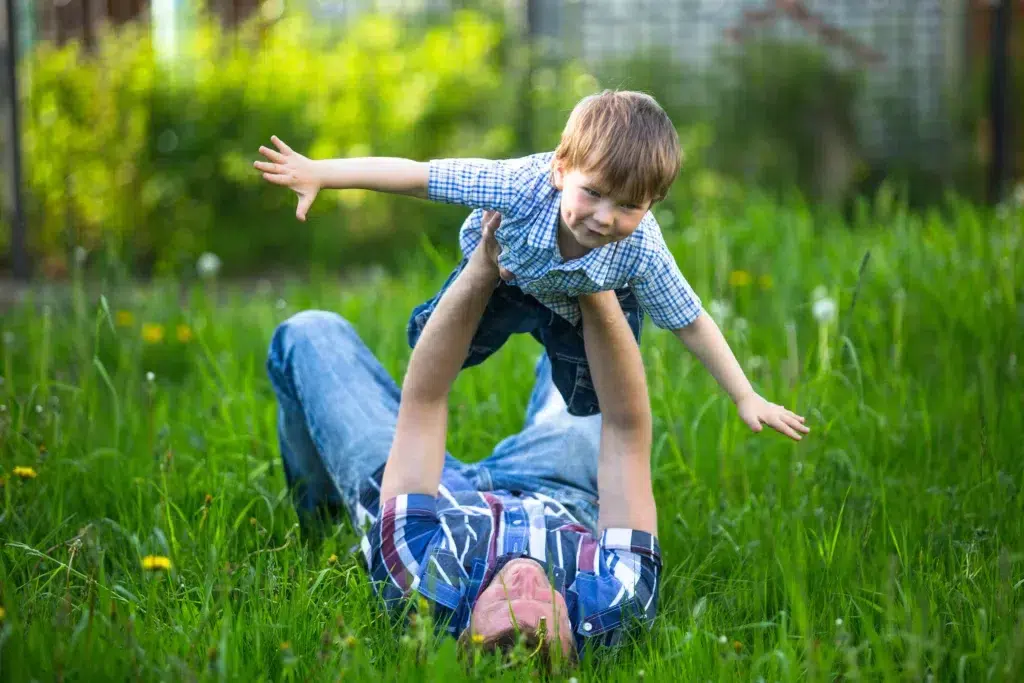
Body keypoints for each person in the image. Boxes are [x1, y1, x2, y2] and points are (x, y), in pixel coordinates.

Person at [254, 90, 810, 440]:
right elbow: (419, 176)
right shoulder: (518, 184)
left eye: (629, 206)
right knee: (430, 340)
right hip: (507, 277)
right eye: (593, 193)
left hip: (579, 304)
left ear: (652, 205)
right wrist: (322, 172)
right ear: (560, 170)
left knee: (592, 402)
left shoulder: (640, 249)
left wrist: (746, 394)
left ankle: (564, 378)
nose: (604, 218)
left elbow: (690, 320)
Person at [266, 218, 660, 661]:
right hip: (559, 489)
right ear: (574, 634)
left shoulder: (419, 582)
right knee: (603, 367)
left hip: (431, 495)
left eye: (505, 599)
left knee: (308, 334)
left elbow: (426, 401)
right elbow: (626, 430)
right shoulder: (617, 605)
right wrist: (595, 282)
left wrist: (482, 267)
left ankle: (321, 518)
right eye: (545, 604)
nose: (525, 578)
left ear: (462, 631)